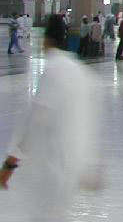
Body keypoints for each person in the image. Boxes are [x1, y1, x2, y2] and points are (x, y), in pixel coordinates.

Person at [1, 15, 101, 219]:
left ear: (46, 40)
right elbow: (89, 122)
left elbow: (37, 118)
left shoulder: (54, 70)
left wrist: (10, 163)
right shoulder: (81, 72)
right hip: (71, 165)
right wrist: (89, 163)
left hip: (49, 165)